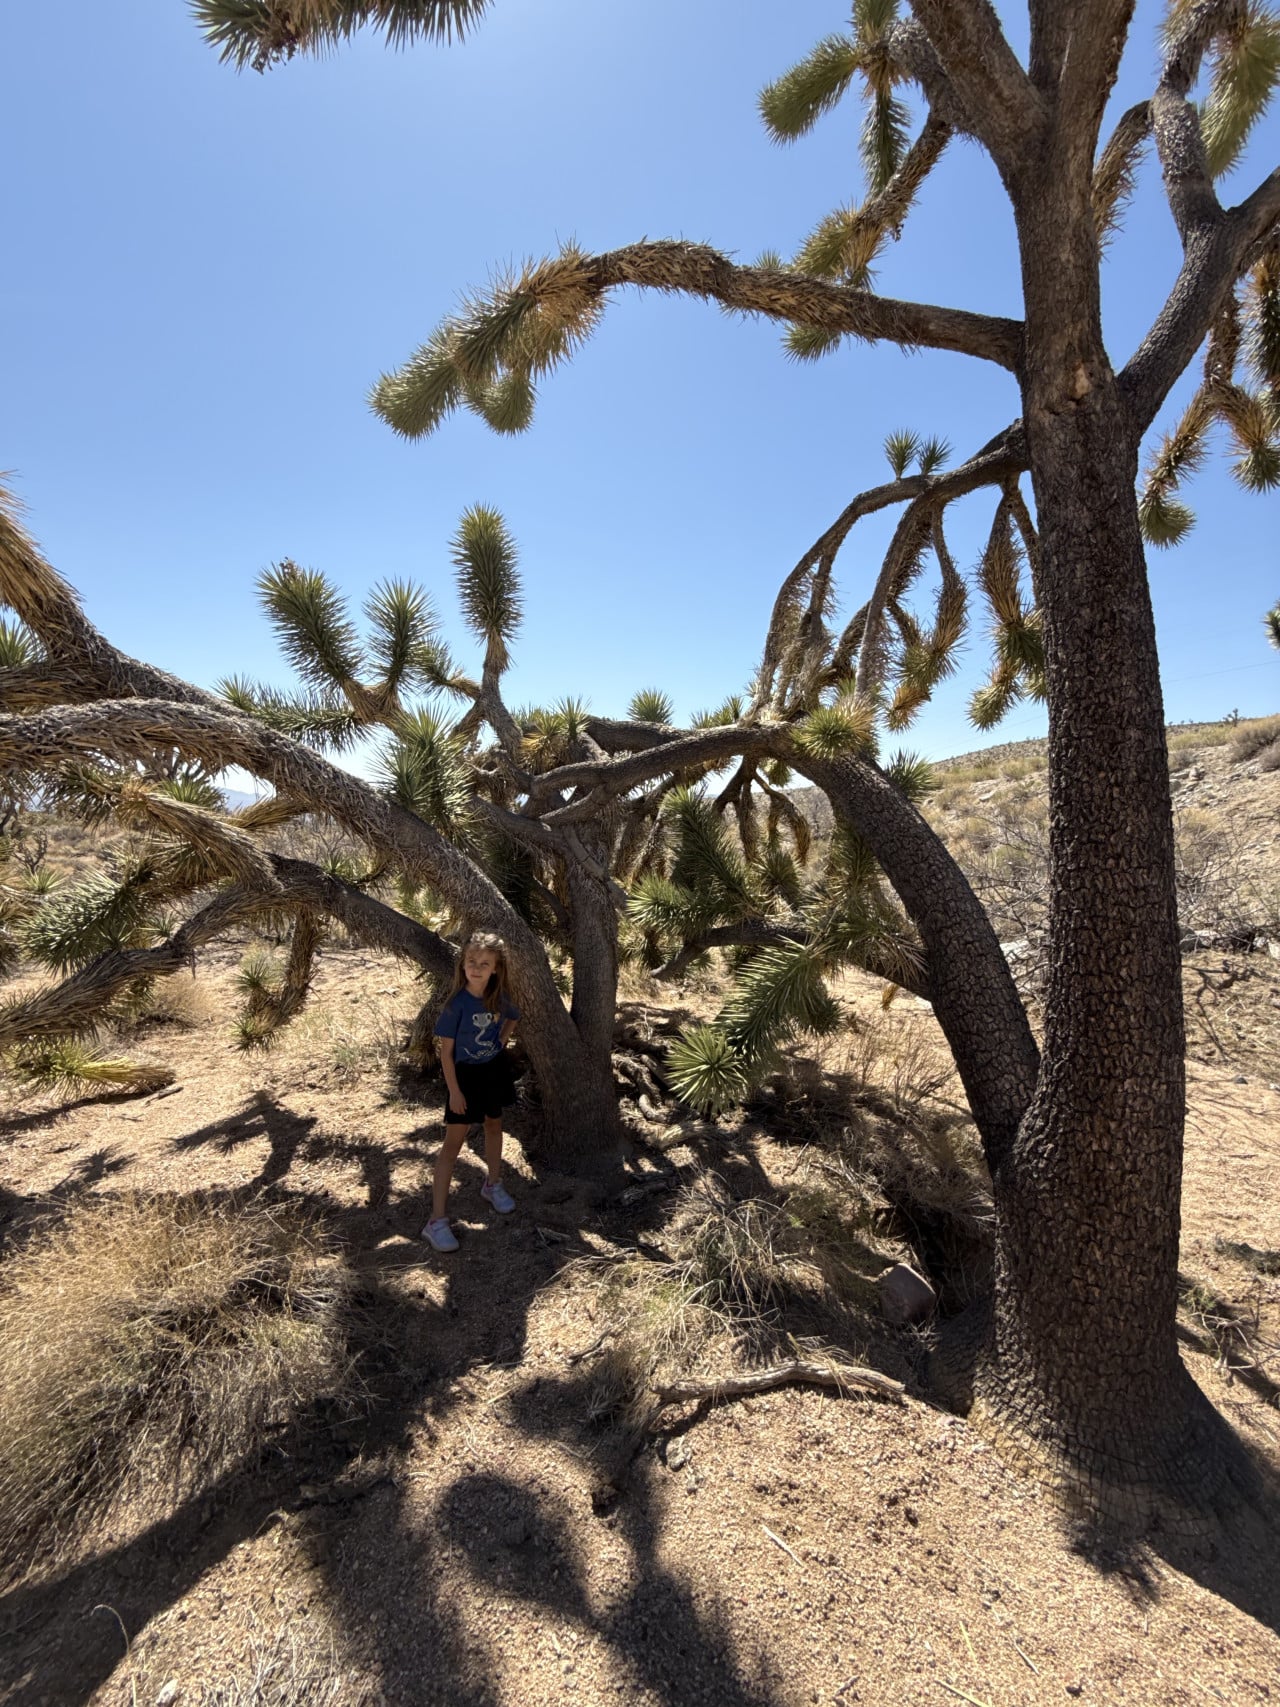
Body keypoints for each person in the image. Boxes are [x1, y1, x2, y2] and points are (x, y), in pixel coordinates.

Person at [421, 931, 520, 1252]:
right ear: (462, 964)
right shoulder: (457, 1005)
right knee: (453, 1144)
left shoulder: (498, 996)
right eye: (471, 962)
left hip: (493, 1070)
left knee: (494, 1124)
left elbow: (513, 1017)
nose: (476, 968)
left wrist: (502, 1039)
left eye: (484, 963)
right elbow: (446, 1054)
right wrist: (454, 1092)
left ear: (495, 968)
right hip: (464, 1077)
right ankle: (436, 1221)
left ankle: (493, 1183)